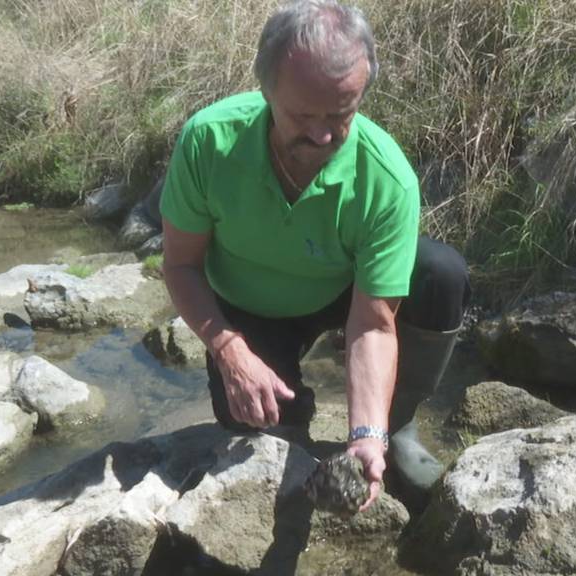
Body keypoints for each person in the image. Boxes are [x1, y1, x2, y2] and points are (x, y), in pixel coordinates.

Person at [159, 0, 469, 511]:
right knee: (252, 422)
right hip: (248, 301)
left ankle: (399, 425)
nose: (323, 135)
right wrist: (230, 352)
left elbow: (372, 324)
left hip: (342, 289)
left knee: (439, 273)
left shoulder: (386, 178)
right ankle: (293, 420)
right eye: (303, 115)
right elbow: (181, 265)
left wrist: (367, 432)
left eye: (341, 114)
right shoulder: (210, 142)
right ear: (266, 90)